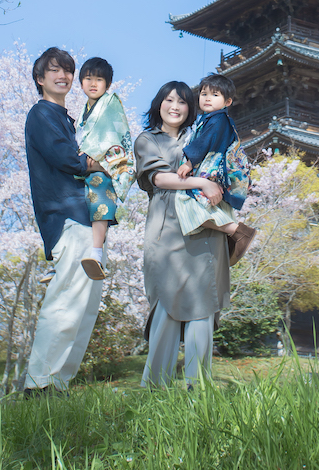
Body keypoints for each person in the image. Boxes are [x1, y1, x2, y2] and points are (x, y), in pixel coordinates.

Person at [134, 81, 230, 388]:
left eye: (182, 102)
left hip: (203, 232)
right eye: (168, 100)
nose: (175, 106)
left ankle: (198, 389)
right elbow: (159, 178)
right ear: (158, 103)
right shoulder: (147, 139)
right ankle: (155, 389)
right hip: (167, 232)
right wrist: (201, 183)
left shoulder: (202, 134)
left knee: (203, 305)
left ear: (191, 107)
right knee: (166, 304)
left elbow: (224, 161)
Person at [23, 46, 104, 395]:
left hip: (84, 217)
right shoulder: (41, 114)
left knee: (85, 305)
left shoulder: (68, 119)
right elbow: (65, 158)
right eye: (54, 70)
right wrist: (100, 163)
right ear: (40, 78)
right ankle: (38, 384)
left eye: (68, 70)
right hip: (66, 216)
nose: (63, 75)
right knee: (66, 300)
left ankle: (57, 385)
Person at [175, 73, 256, 266]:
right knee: (207, 206)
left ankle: (236, 231)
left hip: (212, 171)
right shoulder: (210, 119)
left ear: (228, 101)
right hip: (215, 171)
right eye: (204, 94)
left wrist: (188, 163)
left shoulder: (218, 120)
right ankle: (232, 235)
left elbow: (204, 143)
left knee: (188, 204)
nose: (208, 98)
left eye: (215, 95)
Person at [75, 56, 135, 281]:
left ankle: (96, 253)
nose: (93, 83)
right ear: (80, 82)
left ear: (107, 85)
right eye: (88, 78)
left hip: (106, 164)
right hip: (84, 166)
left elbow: (112, 134)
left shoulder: (111, 104)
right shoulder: (84, 111)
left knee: (100, 196)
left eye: (99, 79)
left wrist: (97, 157)